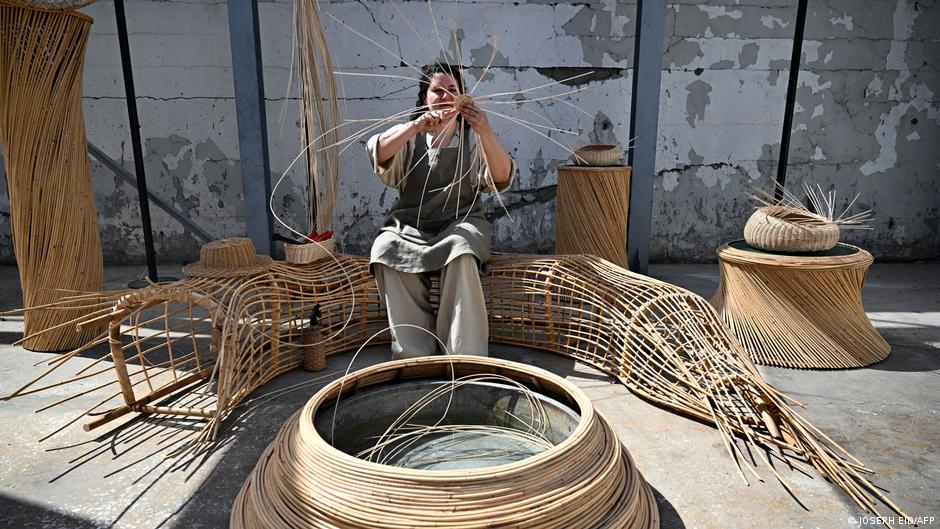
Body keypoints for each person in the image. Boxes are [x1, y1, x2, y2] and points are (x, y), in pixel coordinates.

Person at [365, 62, 515, 359]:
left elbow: (501, 176)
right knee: (384, 248)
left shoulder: (472, 138)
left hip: (461, 221)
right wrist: (415, 126)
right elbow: (379, 151)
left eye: (453, 90)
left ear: (463, 98)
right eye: (437, 90)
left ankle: (462, 354)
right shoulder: (412, 134)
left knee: (460, 248)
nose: (446, 96)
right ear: (424, 98)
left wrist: (484, 130)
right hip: (411, 223)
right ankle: (413, 353)